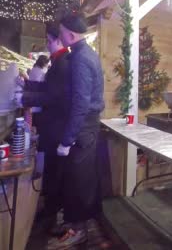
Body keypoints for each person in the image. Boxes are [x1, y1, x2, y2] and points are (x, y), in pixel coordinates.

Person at [47, 14, 105, 249]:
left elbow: (81, 102)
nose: (60, 37)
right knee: (79, 179)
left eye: (61, 33)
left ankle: (79, 231)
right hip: (87, 125)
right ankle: (75, 225)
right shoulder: (86, 53)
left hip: (83, 127)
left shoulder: (80, 58)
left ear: (70, 34)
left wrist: (67, 139)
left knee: (78, 180)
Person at [18, 23, 71, 232]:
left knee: (55, 172)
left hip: (57, 126)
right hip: (53, 125)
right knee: (51, 170)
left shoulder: (62, 63)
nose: (47, 46)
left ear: (58, 40)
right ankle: (49, 211)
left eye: (49, 41)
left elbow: (53, 96)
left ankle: (52, 215)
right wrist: (28, 86)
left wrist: (24, 97)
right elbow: (48, 89)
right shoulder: (58, 62)